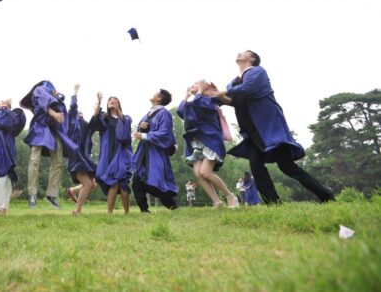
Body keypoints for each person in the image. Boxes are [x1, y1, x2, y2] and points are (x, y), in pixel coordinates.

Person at [216, 50, 334, 204]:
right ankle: (273, 202)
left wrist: (221, 92)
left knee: (287, 167)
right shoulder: (235, 81)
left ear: (252, 58)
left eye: (244, 52)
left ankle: (325, 194)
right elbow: (234, 101)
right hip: (252, 132)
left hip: (270, 129)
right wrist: (216, 95)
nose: (239, 53)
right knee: (256, 166)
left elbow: (247, 89)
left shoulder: (257, 72)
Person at [20, 81, 96, 215]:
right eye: (53, 90)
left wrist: (73, 94)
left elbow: (70, 113)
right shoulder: (41, 89)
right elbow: (44, 101)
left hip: (54, 131)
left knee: (58, 161)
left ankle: (52, 194)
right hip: (40, 128)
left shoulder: (57, 99)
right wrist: (54, 114)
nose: (55, 91)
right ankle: (32, 194)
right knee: (34, 160)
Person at [177, 80, 239, 208]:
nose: (193, 86)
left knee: (205, 172)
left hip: (210, 140)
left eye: (197, 84)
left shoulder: (210, 101)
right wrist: (186, 96)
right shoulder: (193, 103)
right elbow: (180, 111)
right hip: (195, 141)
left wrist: (199, 91)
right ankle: (217, 202)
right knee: (198, 174)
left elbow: (201, 105)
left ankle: (230, 196)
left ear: (206, 90)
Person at [132, 89, 179, 211]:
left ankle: (172, 205)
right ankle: (144, 210)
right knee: (137, 178)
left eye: (155, 93)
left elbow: (165, 134)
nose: (152, 93)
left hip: (156, 153)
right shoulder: (148, 113)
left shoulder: (164, 113)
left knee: (156, 182)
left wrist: (143, 135)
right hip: (143, 152)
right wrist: (141, 128)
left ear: (159, 98)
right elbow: (143, 130)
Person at [90, 93, 134, 215]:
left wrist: (118, 111)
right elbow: (93, 123)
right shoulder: (104, 118)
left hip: (123, 155)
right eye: (110, 100)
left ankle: (127, 213)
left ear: (119, 104)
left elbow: (126, 128)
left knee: (124, 184)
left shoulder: (126, 118)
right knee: (113, 183)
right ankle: (109, 213)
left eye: (115, 100)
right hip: (109, 155)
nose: (112, 101)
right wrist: (98, 104)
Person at [0, 99, 27, 215]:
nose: (3, 104)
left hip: (9, 150)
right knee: (2, 175)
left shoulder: (9, 115)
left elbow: (19, 122)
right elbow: (3, 122)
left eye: (5, 104)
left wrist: (10, 110)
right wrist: (6, 109)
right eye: (1, 103)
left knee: (9, 179)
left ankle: (4, 208)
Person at [65, 84, 97, 202]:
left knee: (93, 185)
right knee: (88, 184)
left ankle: (72, 190)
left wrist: (96, 108)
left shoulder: (87, 127)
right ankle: (77, 211)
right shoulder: (73, 122)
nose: (81, 112)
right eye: (79, 112)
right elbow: (73, 106)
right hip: (76, 158)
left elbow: (94, 121)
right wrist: (75, 90)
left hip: (86, 158)